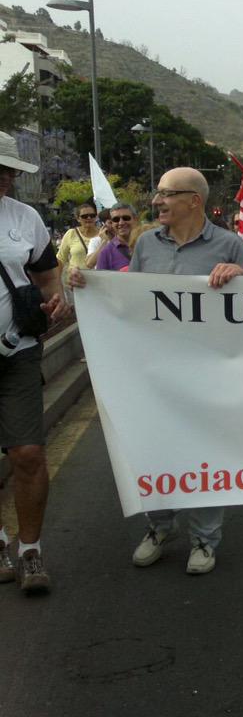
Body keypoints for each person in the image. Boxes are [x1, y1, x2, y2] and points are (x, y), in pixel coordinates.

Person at [69, 168, 243, 575]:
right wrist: (90, 284)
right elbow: (129, 299)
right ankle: (159, 527)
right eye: (157, 193)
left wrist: (240, 277)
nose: (157, 201)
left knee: (206, 454)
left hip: (208, 373)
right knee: (155, 450)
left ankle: (205, 539)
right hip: (154, 375)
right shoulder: (147, 244)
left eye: (167, 194)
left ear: (194, 200)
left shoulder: (228, 244)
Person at [0, 132, 70, 594]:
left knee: (27, 453)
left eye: (8, 171)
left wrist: (55, 299)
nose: (3, 178)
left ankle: (30, 551)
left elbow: (47, 278)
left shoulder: (25, 219)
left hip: (16, 351)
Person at [57, 201, 100, 275]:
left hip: (99, 280)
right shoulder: (71, 233)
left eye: (92, 215)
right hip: (75, 281)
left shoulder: (103, 234)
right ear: (78, 219)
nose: (89, 218)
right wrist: (56, 281)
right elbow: (61, 258)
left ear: (96, 217)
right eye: (84, 216)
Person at [94, 204, 137, 271]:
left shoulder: (147, 244)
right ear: (112, 223)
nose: (121, 223)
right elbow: (101, 280)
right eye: (116, 219)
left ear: (135, 219)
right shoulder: (106, 252)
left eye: (126, 218)